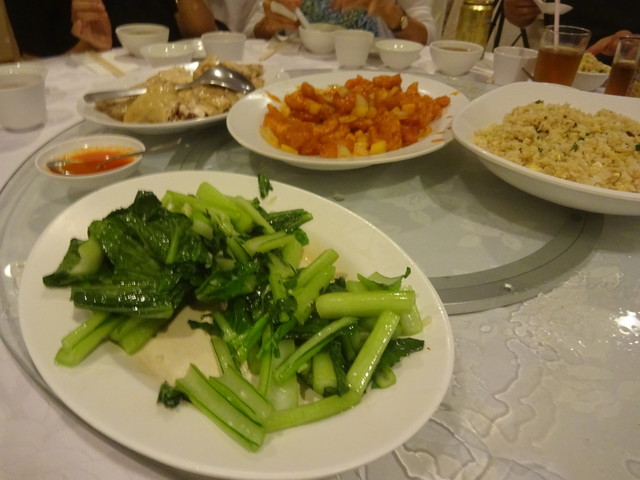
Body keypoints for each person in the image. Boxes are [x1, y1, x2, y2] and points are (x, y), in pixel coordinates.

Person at [5, 0, 218, 58]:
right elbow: (34, 78)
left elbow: (203, 32)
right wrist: (87, 47)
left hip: (177, 87)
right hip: (82, 111)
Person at [245, 0, 439, 46]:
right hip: (296, 78)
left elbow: (427, 38)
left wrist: (391, 13)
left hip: (376, 75)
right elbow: (251, 33)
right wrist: (268, 25)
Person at [503, 0, 640, 60]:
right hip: (556, 61)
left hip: (623, 73)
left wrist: (633, 45)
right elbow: (538, 9)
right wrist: (519, 10)